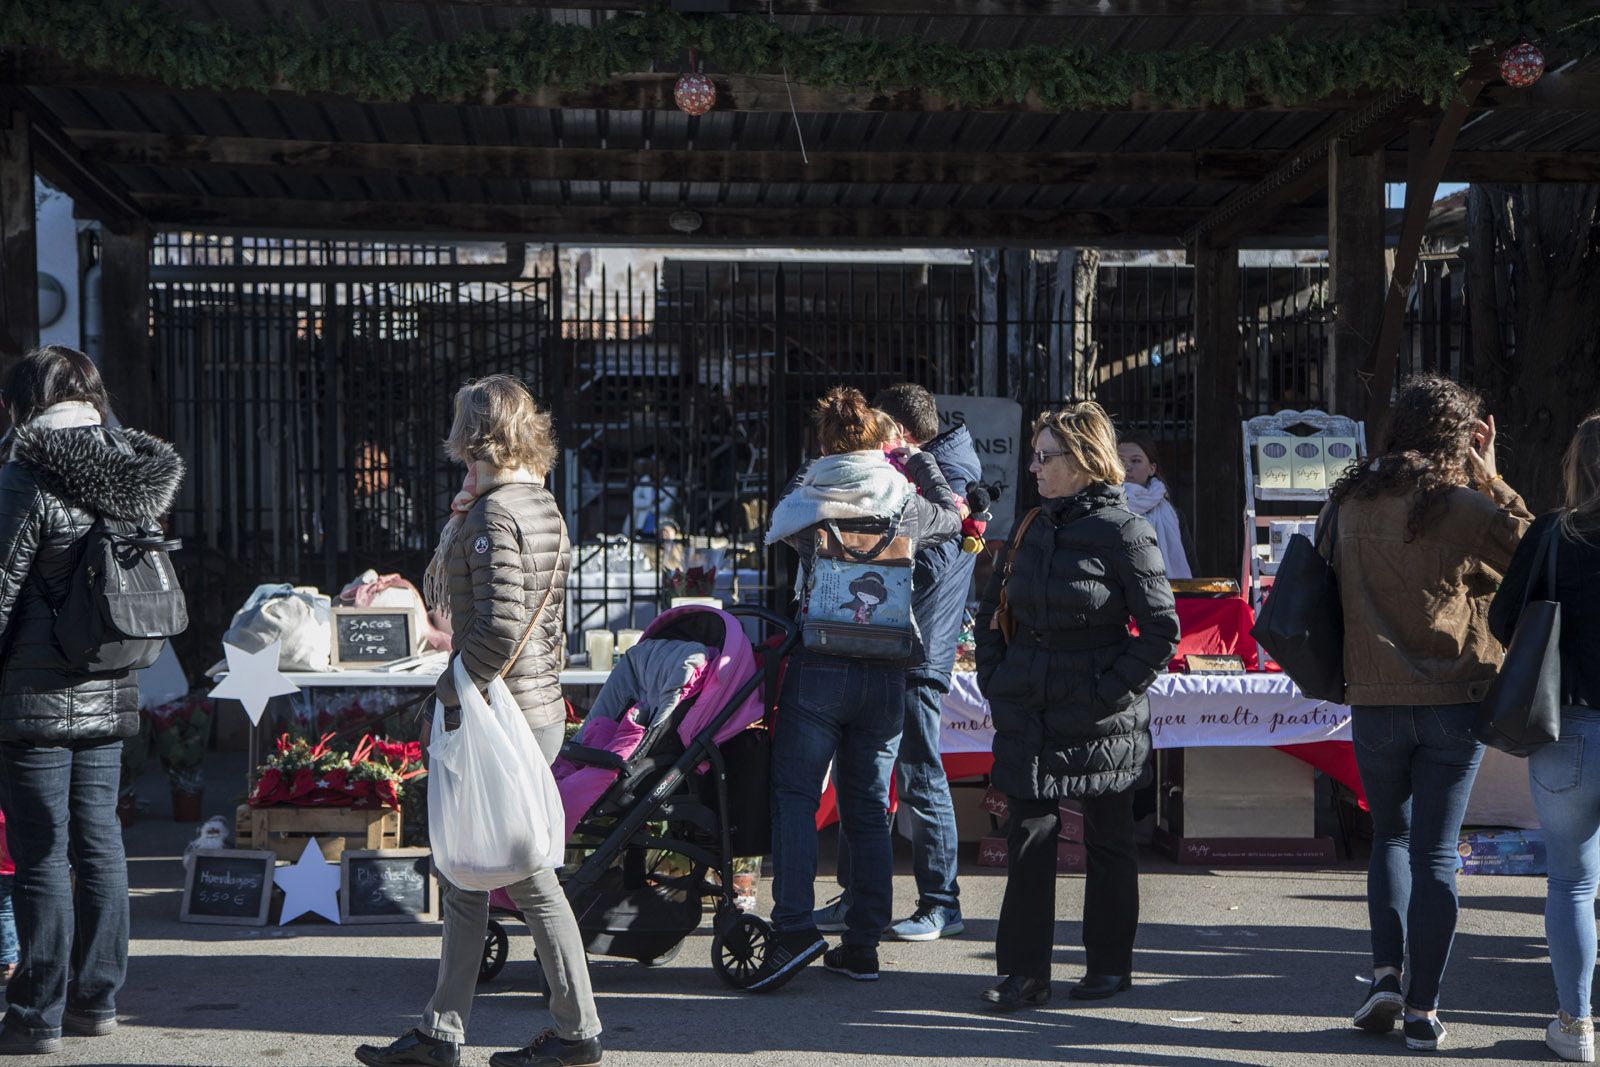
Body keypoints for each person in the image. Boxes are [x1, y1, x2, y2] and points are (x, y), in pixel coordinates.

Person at [356, 376, 601, 1067]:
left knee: (524, 876)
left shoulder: (497, 517)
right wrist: (458, 520)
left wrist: (453, 689)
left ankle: (578, 1031)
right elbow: (453, 596)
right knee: (465, 873)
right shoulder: (532, 503)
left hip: (502, 712)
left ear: (478, 431)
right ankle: (441, 1029)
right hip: (531, 705)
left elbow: (490, 628)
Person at [1327, 374, 1531, 1052]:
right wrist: (1495, 478)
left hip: (1374, 698)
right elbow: (1534, 555)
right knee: (1437, 852)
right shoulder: (1465, 506)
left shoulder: (1352, 501)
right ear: (1462, 438)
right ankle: (1423, 1008)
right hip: (1455, 697)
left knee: (1388, 836)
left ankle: (1384, 973)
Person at [0, 346, 184, 1055]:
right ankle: (95, 1000)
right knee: (100, 841)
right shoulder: (134, 473)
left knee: (43, 852)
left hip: (33, 697)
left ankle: (34, 1013)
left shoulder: (28, 473)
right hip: (110, 685)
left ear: (26, 402)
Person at [750, 386, 961, 992]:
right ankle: (863, 945)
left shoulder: (810, 500)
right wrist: (916, 460)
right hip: (885, 671)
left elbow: (785, 506)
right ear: (881, 443)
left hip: (818, 665)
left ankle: (792, 928)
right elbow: (951, 512)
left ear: (822, 445)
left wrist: (820, 458)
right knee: (868, 810)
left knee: (795, 797)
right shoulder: (905, 501)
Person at [974, 401, 1178, 1013]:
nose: (1034, 468)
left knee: (1110, 841)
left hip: (1098, 713)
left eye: (1046, 457)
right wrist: (996, 675)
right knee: (1029, 838)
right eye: (1034, 456)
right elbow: (992, 609)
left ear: (1085, 461)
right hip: (1029, 703)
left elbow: (1160, 629)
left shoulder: (1124, 529)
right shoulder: (1031, 526)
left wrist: (1107, 692)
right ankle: (1024, 972)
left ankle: (1110, 968)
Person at [814, 383, 981, 943]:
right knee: (868, 779)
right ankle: (858, 897)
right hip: (888, 645)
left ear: (902, 433)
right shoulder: (930, 469)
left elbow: (926, 566)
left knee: (917, 773)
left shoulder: (945, 477)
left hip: (915, 651)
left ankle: (942, 902)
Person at [1489, 413, 1600, 1063]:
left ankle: (1577, 1023)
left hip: (1571, 729)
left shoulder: (1555, 534)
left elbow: (1506, 619)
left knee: (1573, 883)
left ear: (1574, 466)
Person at [1115, 435, 1193, 580]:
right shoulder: (1103, 508)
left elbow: (1191, 565)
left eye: (1136, 461)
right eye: (1120, 461)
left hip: (1167, 595)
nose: (1127, 467)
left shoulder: (1174, 515)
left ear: (1152, 468)